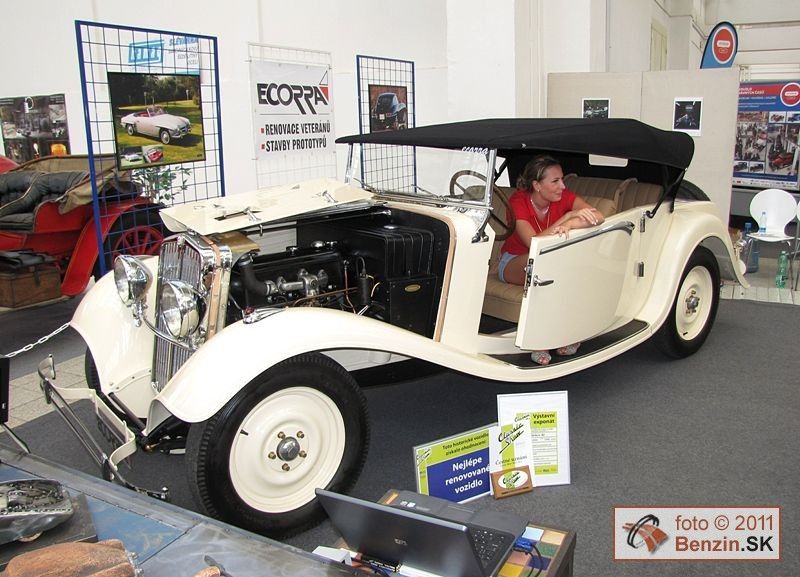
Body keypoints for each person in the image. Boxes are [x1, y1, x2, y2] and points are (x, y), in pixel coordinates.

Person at [497, 154, 605, 365]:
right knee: (543, 269)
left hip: (552, 262)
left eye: (562, 179)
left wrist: (571, 224)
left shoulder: (564, 197)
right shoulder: (518, 201)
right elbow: (534, 243)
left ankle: (569, 333)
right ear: (537, 185)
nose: (562, 186)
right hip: (514, 261)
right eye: (555, 181)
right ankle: (541, 341)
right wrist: (566, 218)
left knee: (559, 272)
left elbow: (598, 216)